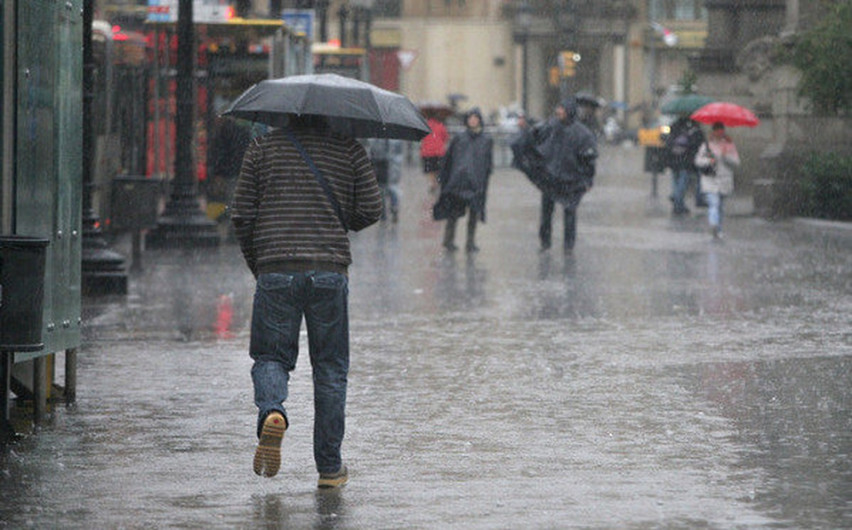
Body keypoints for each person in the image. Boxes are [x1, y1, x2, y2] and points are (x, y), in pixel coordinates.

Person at [231, 114, 383, 489]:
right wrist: (334, 215)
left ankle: (272, 411)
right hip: (329, 269)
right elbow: (371, 209)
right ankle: (330, 468)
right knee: (330, 368)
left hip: (276, 267)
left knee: (270, 356)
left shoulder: (261, 149)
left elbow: (241, 214)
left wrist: (260, 263)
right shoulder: (349, 149)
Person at [535, 98, 598, 252]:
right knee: (546, 213)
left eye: (562, 109)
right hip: (550, 178)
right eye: (558, 109)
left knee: (569, 213)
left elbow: (589, 159)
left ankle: (568, 246)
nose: (559, 112)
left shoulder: (582, 133)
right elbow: (538, 143)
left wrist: (588, 180)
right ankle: (545, 243)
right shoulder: (551, 127)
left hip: (571, 180)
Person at [432, 108, 493, 253]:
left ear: (479, 120)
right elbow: (449, 159)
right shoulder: (459, 138)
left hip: (475, 183)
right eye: (470, 118)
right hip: (458, 181)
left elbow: (487, 163)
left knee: (473, 214)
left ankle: (470, 242)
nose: (472, 120)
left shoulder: (486, 140)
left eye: (475, 118)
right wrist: (444, 177)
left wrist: (483, 179)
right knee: (453, 214)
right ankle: (448, 241)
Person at [694, 121, 740, 239]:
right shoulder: (706, 145)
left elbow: (736, 162)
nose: (719, 134)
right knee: (714, 203)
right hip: (710, 179)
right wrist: (709, 161)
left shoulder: (729, 145)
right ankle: (713, 224)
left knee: (720, 206)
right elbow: (698, 161)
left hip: (724, 180)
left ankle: (719, 229)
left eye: (721, 132)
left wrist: (725, 156)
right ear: (713, 132)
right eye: (717, 132)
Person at [665, 115, 706, 215]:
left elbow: (667, 142)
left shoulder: (674, 127)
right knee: (682, 184)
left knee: (676, 182)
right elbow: (697, 146)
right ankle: (678, 205)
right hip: (685, 161)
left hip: (673, 159)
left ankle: (678, 201)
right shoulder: (694, 130)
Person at [367, 137, 405, 223]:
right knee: (392, 188)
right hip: (390, 166)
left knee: (381, 189)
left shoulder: (374, 138)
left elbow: (371, 153)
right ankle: (393, 207)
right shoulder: (396, 139)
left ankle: (384, 213)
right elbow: (399, 154)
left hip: (379, 165)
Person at [420, 116, 449, 194]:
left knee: (429, 170)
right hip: (439, 151)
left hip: (427, 151)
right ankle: (436, 182)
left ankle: (432, 183)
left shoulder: (424, 125)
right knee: (437, 169)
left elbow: (420, 136)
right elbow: (446, 137)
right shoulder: (440, 125)